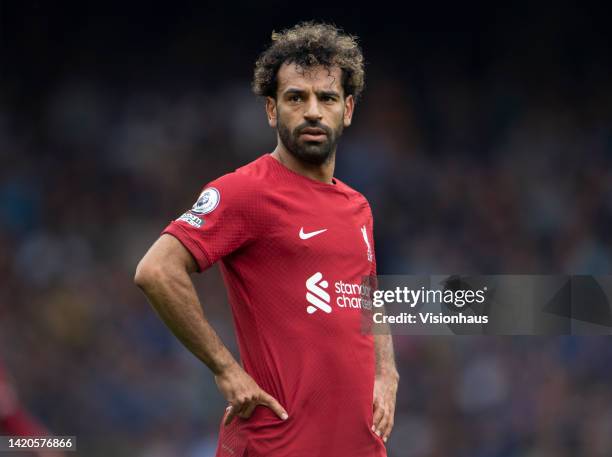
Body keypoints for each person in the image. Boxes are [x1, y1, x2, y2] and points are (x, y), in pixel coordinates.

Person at [135, 21, 398, 457]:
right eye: (297, 97)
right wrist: (225, 370)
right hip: (274, 446)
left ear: (347, 110)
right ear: (272, 110)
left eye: (327, 98)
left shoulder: (358, 207)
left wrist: (386, 374)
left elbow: (369, 295)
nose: (313, 111)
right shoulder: (246, 192)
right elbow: (156, 270)